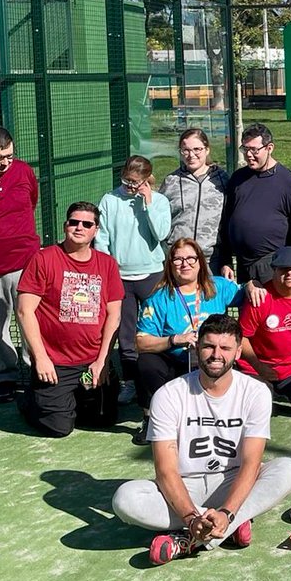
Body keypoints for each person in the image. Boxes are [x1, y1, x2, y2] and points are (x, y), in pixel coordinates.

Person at [111, 315, 291, 565]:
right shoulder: (168, 395)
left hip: (230, 480)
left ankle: (193, 537)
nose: (216, 354)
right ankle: (227, 527)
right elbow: (166, 471)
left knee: (288, 469)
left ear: (238, 351)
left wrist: (226, 512)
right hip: (184, 484)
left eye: (225, 348)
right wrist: (191, 517)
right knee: (125, 499)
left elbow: (251, 464)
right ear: (197, 347)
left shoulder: (256, 392)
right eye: (209, 346)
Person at [16, 203, 123, 437]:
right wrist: (41, 358)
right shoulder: (43, 259)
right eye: (73, 222)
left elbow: (114, 315)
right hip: (55, 363)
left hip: (91, 361)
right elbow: (25, 311)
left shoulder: (107, 264)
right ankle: (31, 402)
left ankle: (75, 397)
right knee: (59, 427)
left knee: (104, 419)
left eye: (87, 224)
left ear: (96, 230)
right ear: (65, 226)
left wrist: (103, 360)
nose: (79, 227)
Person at [133, 237, 248, 445]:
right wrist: (173, 339)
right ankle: (152, 418)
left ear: (200, 262)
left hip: (211, 360)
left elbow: (246, 293)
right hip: (176, 362)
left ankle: (225, 417)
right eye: (178, 260)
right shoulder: (158, 299)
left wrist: (254, 286)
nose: (184, 264)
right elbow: (141, 342)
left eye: (190, 258)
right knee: (146, 363)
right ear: (170, 265)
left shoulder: (218, 287)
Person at [95, 155, 173, 404]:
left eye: (136, 182)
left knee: (157, 328)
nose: (130, 186)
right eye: (127, 181)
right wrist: (108, 271)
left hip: (152, 274)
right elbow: (102, 237)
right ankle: (130, 382)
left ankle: (162, 380)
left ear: (146, 179)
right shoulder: (109, 200)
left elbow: (161, 233)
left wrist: (147, 203)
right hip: (120, 278)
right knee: (126, 335)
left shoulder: (159, 200)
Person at [237, 246, 291, 419]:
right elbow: (242, 337)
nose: (289, 273)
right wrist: (259, 366)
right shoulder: (260, 298)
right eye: (283, 269)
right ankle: (264, 396)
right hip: (256, 369)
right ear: (274, 270)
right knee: (258, 413)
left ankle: (277, 395)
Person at [0, 125, 39, 403]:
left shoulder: (24, 171)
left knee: (31, 318)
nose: (5, 162)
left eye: (9, 155)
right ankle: (3, 374)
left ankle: (36, 369)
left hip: (25, 260)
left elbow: (31, 202)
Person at [219, 124, 291, 285]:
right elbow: (226, 220)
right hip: (242, 265)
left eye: (254, 150)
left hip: (272, 264)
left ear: (269, 148)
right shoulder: (238, 179)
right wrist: (226, 260)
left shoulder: (288, 182)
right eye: (245, 149)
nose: (249, 155)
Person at [159, 127, 228, 270]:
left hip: (211, 260)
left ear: (207, 149)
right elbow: (161, 218)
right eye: (186, 150)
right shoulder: (171, 181)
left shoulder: (223, 180)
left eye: (197, 149)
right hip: (178, 260)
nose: (191, 155)